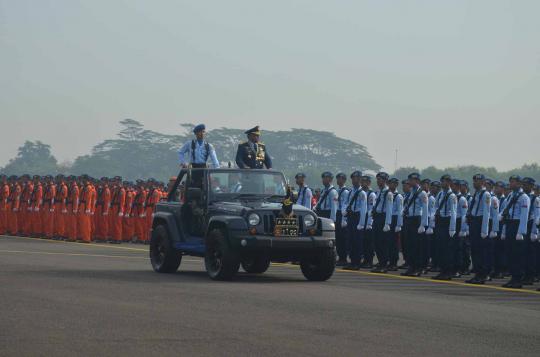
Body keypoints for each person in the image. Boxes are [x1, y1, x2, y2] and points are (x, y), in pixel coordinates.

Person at [502, 175, 530, 288]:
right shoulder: (511, 195)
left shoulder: (524, 197)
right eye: (510, 182)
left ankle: (518, 279)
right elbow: (506, 209)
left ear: (519, 183)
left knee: (517, 255)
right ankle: (513, 278)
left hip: (517, 226)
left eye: (513, 182)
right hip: (510, 224)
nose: (510, 184)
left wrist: (521, 232)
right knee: (510, 254)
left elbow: (524, 216)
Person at [465, 174, 491, 285]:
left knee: (482, 251)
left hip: (481, 223)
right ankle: (477, 274)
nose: (475, 183)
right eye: (474, 181)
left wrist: (484, 230)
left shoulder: (486, 195)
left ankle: (483, 274)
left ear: (483, 182)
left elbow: (486, 212)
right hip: (474, 222)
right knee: (475, 250)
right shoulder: (476, 194)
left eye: (477, 181)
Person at [401, 173, 429, 277]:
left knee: (417, 246)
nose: (409, 182)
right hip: (409, 219)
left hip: (417, 220)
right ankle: (411, 267)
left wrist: (423, 224)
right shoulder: (411, 192)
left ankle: (418, 268)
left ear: (417, 181)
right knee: (409, 245)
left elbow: (425, 210)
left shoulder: (422, 193)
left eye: (411, 180)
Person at [432, 175, 457, 280]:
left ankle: (448, 271)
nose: (442, 184)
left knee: (447, 249)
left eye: (445, 182)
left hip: (447, 222)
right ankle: (442, 271)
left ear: (449, 183)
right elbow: (435, 208)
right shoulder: (440, 194)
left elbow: (454, 213)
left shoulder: (452, 196)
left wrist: (452, 228)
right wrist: (432, 222)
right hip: (440, 221)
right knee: (440, 248)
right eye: (442, 181)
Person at [343, 171, 367, 270]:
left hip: (357, 217)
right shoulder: (350, 192)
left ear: (360, 180)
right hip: (351, 216)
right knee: (351, 240)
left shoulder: (362, 193)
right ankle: (352, 261)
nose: (354, 180)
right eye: (353, 178)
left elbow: (363, 209)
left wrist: (361, 223)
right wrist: (344, 215)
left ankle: (357, 262)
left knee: (357, 241)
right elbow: (346, 203)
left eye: (356, 178)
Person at [371, 172, 393, 273]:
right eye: (378, 179)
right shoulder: (379, 192)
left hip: (383, 219)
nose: (378, 181)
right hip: (377, 217)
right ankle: (380, 263)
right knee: (377, 242)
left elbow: (389, 209)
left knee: (383, 243)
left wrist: (387, 223)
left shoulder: (388, 193)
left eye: (380, 179)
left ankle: (384, 264)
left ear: (385, 181)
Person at [522, 177, 537, 285]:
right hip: (524, 225)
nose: (524, 186)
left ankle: (530, 276)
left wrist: (534, 232)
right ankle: (525, 274)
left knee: (531, 254)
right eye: (524, 184)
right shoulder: (522, 197)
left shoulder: (535, 198)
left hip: (531, 225)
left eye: (526, 185)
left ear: (532, 186)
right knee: (524, 253)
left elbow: (536, 216)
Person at [361, 175, 377, 268]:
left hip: (368, 218)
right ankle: (365, 259)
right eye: (362, 181)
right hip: (363, 217)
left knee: (369, 242)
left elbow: (371, 209)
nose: (364, 183)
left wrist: (369, 223)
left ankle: (369, 260)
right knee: (363, 241)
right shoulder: (361, 193)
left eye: (366, 182)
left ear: (369, 183)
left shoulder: (371, 194)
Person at [335, 173, 350, 266]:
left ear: (344, 180)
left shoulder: (345, 192)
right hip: (337, 213)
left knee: (342, 237)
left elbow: (345, 205)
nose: (338, 180)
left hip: (342, 214)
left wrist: (344, 219)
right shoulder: (337, 190)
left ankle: (343, 258)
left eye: (340, 179)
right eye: (337, 179)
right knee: (338, 238)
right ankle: (340, 257)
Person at [388, 178, 403, 271]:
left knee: (394, 243)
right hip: (389, 219)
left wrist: (399, 224)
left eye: (393, 184)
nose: (391, 185)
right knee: (388, 242)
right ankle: (390, 261)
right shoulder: (388, 194)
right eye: (390, 183)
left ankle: (394, 262)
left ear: (396, 185)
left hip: (395, 219)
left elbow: (400, 211)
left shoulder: (398, 196)